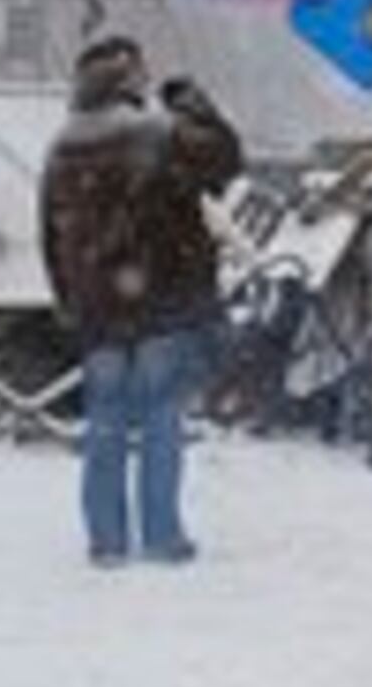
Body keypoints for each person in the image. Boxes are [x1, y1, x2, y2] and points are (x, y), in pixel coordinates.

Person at [38, 34, 244, 563]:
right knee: (159, 417)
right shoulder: (158, 134)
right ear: (129, 82)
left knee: (105, 423)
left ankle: (106, 541)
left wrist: (70, 301)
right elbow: (226, 161)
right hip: (160, 305)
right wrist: (191, 102)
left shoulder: (62, 147)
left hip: (98, 312)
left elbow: (49, 238)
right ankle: (161, 536)